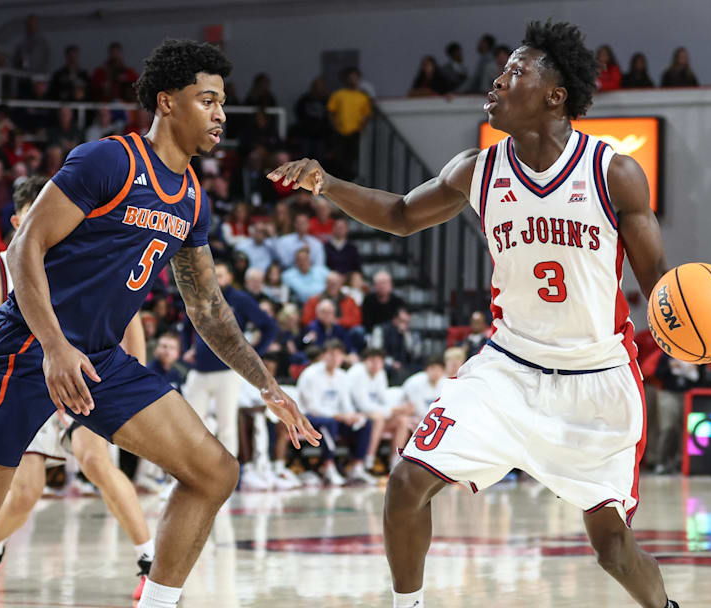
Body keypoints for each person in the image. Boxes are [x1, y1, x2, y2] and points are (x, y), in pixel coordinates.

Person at [0, 39, 320, 608]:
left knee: (214, 471)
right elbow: (25, 247)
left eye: (223, 102)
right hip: (27, 347)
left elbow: (209, 308)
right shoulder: (109, 161)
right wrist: (53, 346)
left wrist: (267, 385)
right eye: (208, 100)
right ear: (167, 102)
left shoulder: (193, 198)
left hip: (98, 359)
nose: (221, 114)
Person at [270, 20, 682, 608]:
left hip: (596, 380)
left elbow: (659, 283)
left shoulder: (613, 173)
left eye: (515, 71)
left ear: (555, 95)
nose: (497, 81)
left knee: (612, 548)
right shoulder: (478, 168)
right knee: (406, 484)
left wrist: (696, 334)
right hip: (507, 369)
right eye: (501, 70)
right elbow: (401, 214)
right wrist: (327, 183)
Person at [0, 175, 160, 599]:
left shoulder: (77, 251)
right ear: (17, 221)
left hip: (87, 373)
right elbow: (4, 340)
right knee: (25, 491)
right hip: (32, 381)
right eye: (35, 214)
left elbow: (128, 316)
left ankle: (150, 561)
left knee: (95, 461)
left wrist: (135, 372)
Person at [182, 261, 277, 457]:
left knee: (227, 426)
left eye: (220, 275)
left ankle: (229, 471)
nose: (214, 279)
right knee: (189, 425)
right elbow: (186, 326)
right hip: (199, 370)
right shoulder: (199, 296)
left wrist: (254, 353)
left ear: (230, 278)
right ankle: (192, 468)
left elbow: (269, 327)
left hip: (227, 372)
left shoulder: (240, 299)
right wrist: (186, 350)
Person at [296, 339, 375, 485]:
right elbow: (312, 407)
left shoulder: (342, 375)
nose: (335, 358)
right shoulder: (310, 374)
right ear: (323, 355)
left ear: (343, 357)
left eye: (338, 355)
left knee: (365, 422)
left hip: (335, 418)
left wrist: (352, 415)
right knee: (329, 423)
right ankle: (328, 467)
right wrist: (338, 416)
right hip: (308, 417)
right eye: (331, 354)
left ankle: (357, 467)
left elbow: (346, 403)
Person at [327, 67, 372, 181]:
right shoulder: (338, 94)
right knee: (339, 158)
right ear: (345, 79)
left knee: (352, 158)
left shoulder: (363, 97)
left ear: (359, 79)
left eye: (355, 78)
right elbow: (331, 112)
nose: (352, 80)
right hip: (340, 132)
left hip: (355, 132)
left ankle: (349, 180)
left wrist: (361, 128)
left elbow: (367, 115)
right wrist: (335, 127)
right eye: (350, 78)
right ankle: (338, 180)